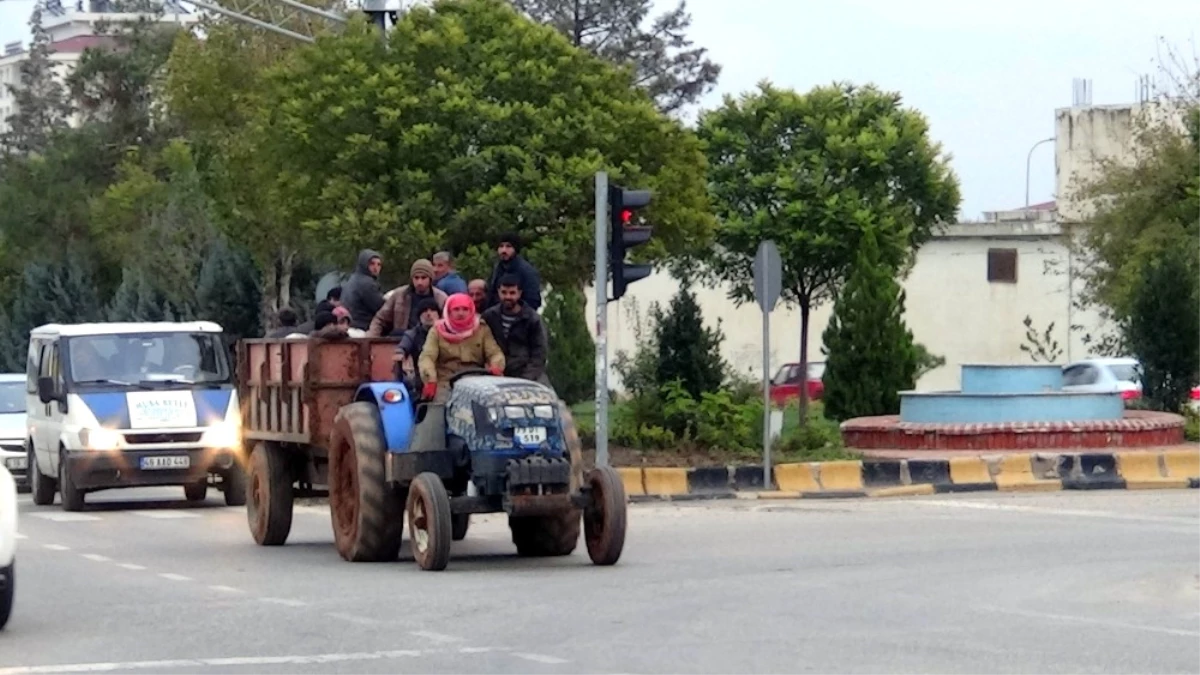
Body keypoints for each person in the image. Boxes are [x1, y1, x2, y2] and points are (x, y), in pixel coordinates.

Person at [418, 293, 505, 404]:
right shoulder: (437, 330)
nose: (461, 313)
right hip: (445, 382)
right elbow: (427, 357)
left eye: (465, 309)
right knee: (437, 414)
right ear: (449, 311)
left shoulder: (482, 328)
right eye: (456, 309)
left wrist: (497, 366)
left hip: (477, 380)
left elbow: (494, 353)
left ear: (471, 310)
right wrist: (430, 380)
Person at [481, 274, 547, 383]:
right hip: (495, 374)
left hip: (526, 373)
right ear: (498, 292)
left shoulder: (532, 319)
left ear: (519, 293)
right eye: (504, 292)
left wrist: (526, 379)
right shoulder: (489, 316)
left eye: (512, 293)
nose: (508, 297)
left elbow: (539, 353)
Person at [367, 259, 448, 337]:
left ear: (430, 279)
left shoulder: (441, 298)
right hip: (402, 341)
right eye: (416, 278)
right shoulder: (399, 295)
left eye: (423, 278)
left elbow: (448, 324)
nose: (419, 282)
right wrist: (371, 340)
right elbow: (380, 319)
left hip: (431, 341)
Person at [486, 233, 542, 311]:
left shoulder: (527, 271)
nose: (504, 250)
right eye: (501, 246)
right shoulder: (497, 267)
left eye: (508, 246)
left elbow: (533, 300)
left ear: (515, 249)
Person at [392, 298, 440, 390]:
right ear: (419, 316)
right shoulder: (413, 334)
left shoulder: (447, 332)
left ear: (439, 314)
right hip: (422, 380)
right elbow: (403, 346)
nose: (428, 314)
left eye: (432, 310)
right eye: (424, 311)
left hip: (445, 377)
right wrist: (400, 352)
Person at [341, 250, 385, 331]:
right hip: (364, 326)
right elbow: (381, 308)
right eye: (372, 263)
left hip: (350, 325)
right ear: (364, 264)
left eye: (379, 265)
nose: (376, 268)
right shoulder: (367, 283)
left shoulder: (352, 279)